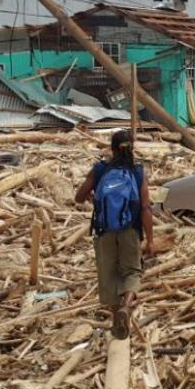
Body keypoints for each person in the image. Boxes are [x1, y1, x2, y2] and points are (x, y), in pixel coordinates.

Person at [74, 130, 154, 339]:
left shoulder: (100, 169)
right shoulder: (137, 172)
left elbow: (79, 197)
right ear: (132, 147)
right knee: (132, 272)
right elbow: (145, 208)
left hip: (104, 231)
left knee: (108, 276)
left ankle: (116, 319)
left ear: (111, 148)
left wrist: (95, 199)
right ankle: (126, 306)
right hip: (130, 231)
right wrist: (150, 240)